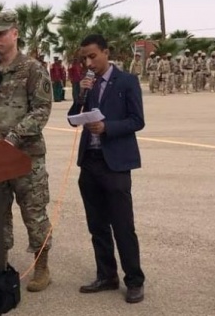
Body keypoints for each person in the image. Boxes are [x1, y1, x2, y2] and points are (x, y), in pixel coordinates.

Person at [0, 11, 53, 292]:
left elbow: (42, 109)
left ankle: (41, 266)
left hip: (26, 156)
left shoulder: (32, 68)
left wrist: (13, 138)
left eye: (1, 33)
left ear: (15, 33)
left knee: (34, 212)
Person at [67, 34, 146, 303]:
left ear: (106, 52)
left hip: (115, 164)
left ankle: (134, 280)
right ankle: (106, 275)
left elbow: (137, 120)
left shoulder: (127, 81)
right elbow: (71, 119)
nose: (89, 62)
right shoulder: (86, 84)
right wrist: (81, 96)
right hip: (90, 162)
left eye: (93, 56)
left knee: (123, 226)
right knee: (97, 225)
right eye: (84, 58)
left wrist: (108, 127)